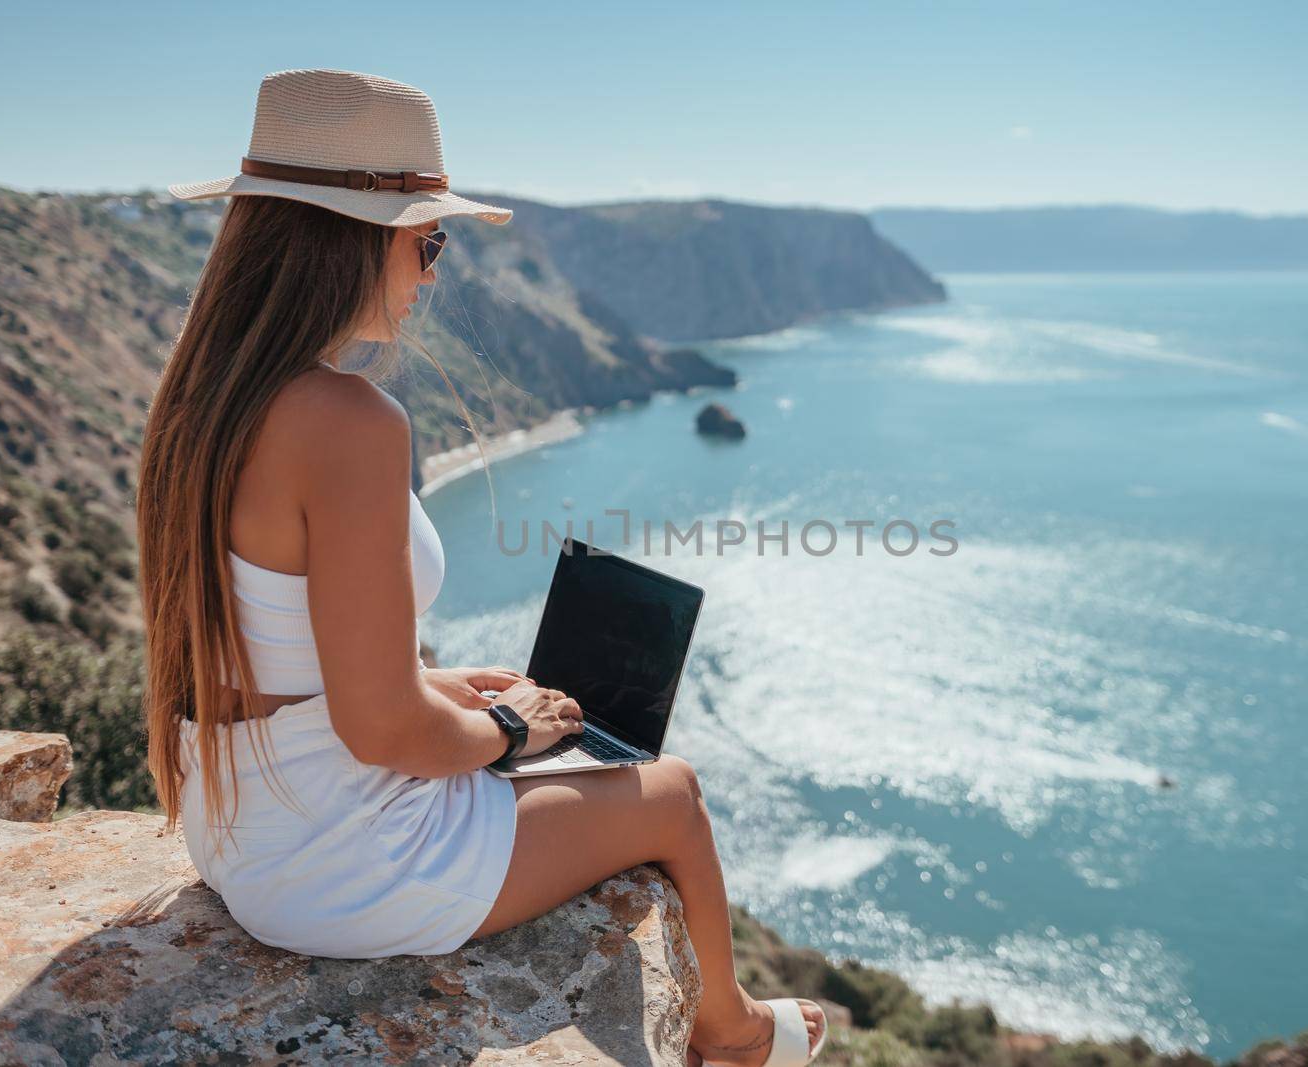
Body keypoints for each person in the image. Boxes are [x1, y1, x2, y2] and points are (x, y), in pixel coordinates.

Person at [138, 69, 827, 1067]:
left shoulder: (203, 396)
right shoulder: (349, 422)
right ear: (353, 239)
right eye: (429, 240)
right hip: (344, 860)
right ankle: (730, 1030)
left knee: (570, 744)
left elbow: (283, 652)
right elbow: (381, 730)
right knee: (670, 792)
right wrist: (503, 732)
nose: (432, 271)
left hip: (243, 828)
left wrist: (444, 689)